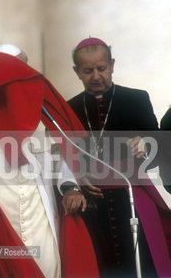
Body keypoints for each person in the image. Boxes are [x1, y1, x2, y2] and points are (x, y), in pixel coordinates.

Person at [0, 44, 99, 278]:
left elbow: (61, 150)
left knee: (48, 264)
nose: (25, 74)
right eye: (17, 68)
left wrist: (71, 187)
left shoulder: (41, 104)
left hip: (39, 202)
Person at [68, 37, 171, 277]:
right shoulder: (70, 107)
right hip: (92, 203)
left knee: (142, 264)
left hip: (133, 197)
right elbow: (65, 155)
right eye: (88, 70)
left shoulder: (136, 99)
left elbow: (160, 148)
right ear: (77, 72)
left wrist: (146, 144)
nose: (96, 76)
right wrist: (78, 175)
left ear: (112, 65)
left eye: (101, 68)